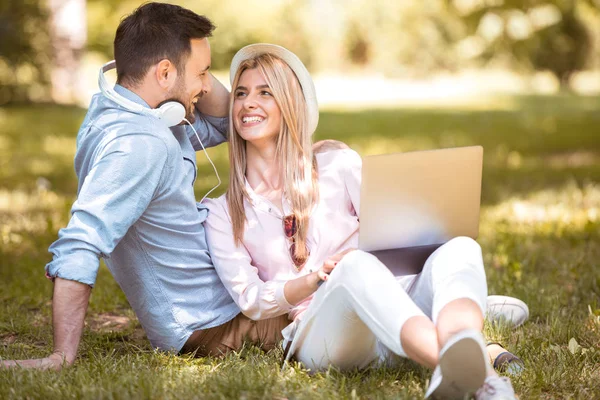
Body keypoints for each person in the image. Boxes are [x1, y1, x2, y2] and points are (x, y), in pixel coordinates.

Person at [203, 43, 519, 399]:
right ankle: (475, 375)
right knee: (351, 267)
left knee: (460, 246)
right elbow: (251, 299)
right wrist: (313, 279)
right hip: (327, 333)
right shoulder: (222, 212)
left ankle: (462, 344)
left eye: (265, 92)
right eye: (241, 94)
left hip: (394, 305)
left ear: (290, 105)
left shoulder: (338, 164)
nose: (247, 103)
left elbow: (395, 236)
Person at [0, 3, 289, 371]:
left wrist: (190, 66)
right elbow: (82, 242)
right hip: (218, 323)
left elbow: (223, 122)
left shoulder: (123, 110)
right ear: (164, 72)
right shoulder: (140, 145)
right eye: (202, 73)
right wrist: (61, 357)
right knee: (339, 305)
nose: (206, 85)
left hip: (225, 303)